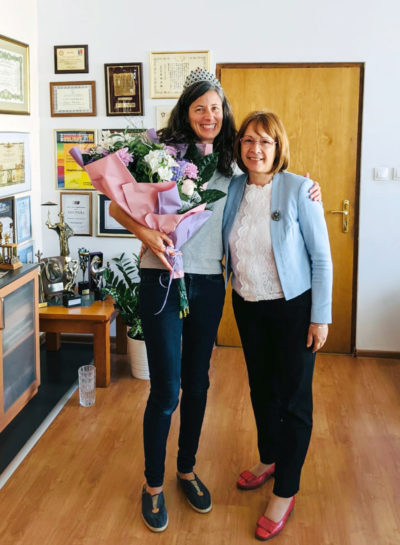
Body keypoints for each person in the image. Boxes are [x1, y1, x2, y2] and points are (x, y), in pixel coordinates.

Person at [109, 70, 321, 533]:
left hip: (208, 284)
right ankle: (153, 486)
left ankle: (186, 469)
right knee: (166, 390)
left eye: (216, 107)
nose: (210, 115)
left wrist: (305, 188)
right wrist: (147, 233)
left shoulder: (231, 163)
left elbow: (271, 181)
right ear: (187, 112)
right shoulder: (162, 153)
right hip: (160, 278)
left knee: (199, 384)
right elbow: (116, 204)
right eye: (200, 107)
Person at [222, 111, 333, 541]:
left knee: (293, 401)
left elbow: (321, 258)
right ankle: (269, 457)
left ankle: (285, 489)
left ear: (278, 147)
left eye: (265, 141)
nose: (256, 149)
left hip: (293, 308)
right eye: (249, 140)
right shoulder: (232, 189)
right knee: (260, 389)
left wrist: (320, 316)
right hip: (248, 304)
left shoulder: (300, 189)